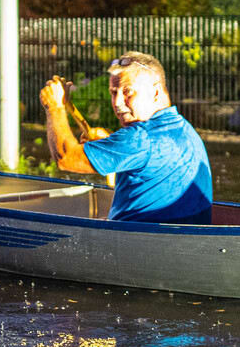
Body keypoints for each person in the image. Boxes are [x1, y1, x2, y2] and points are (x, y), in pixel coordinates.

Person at [40, 51, 214, 224]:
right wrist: (107, 141)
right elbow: (145, 156)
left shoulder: (139, 138)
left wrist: (54, 107)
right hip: (173, 238)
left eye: (128, 91)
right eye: (114, 92)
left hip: (145, 243)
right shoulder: (182, 128)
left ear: (155, 92)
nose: (117, 102)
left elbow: (66, 158)